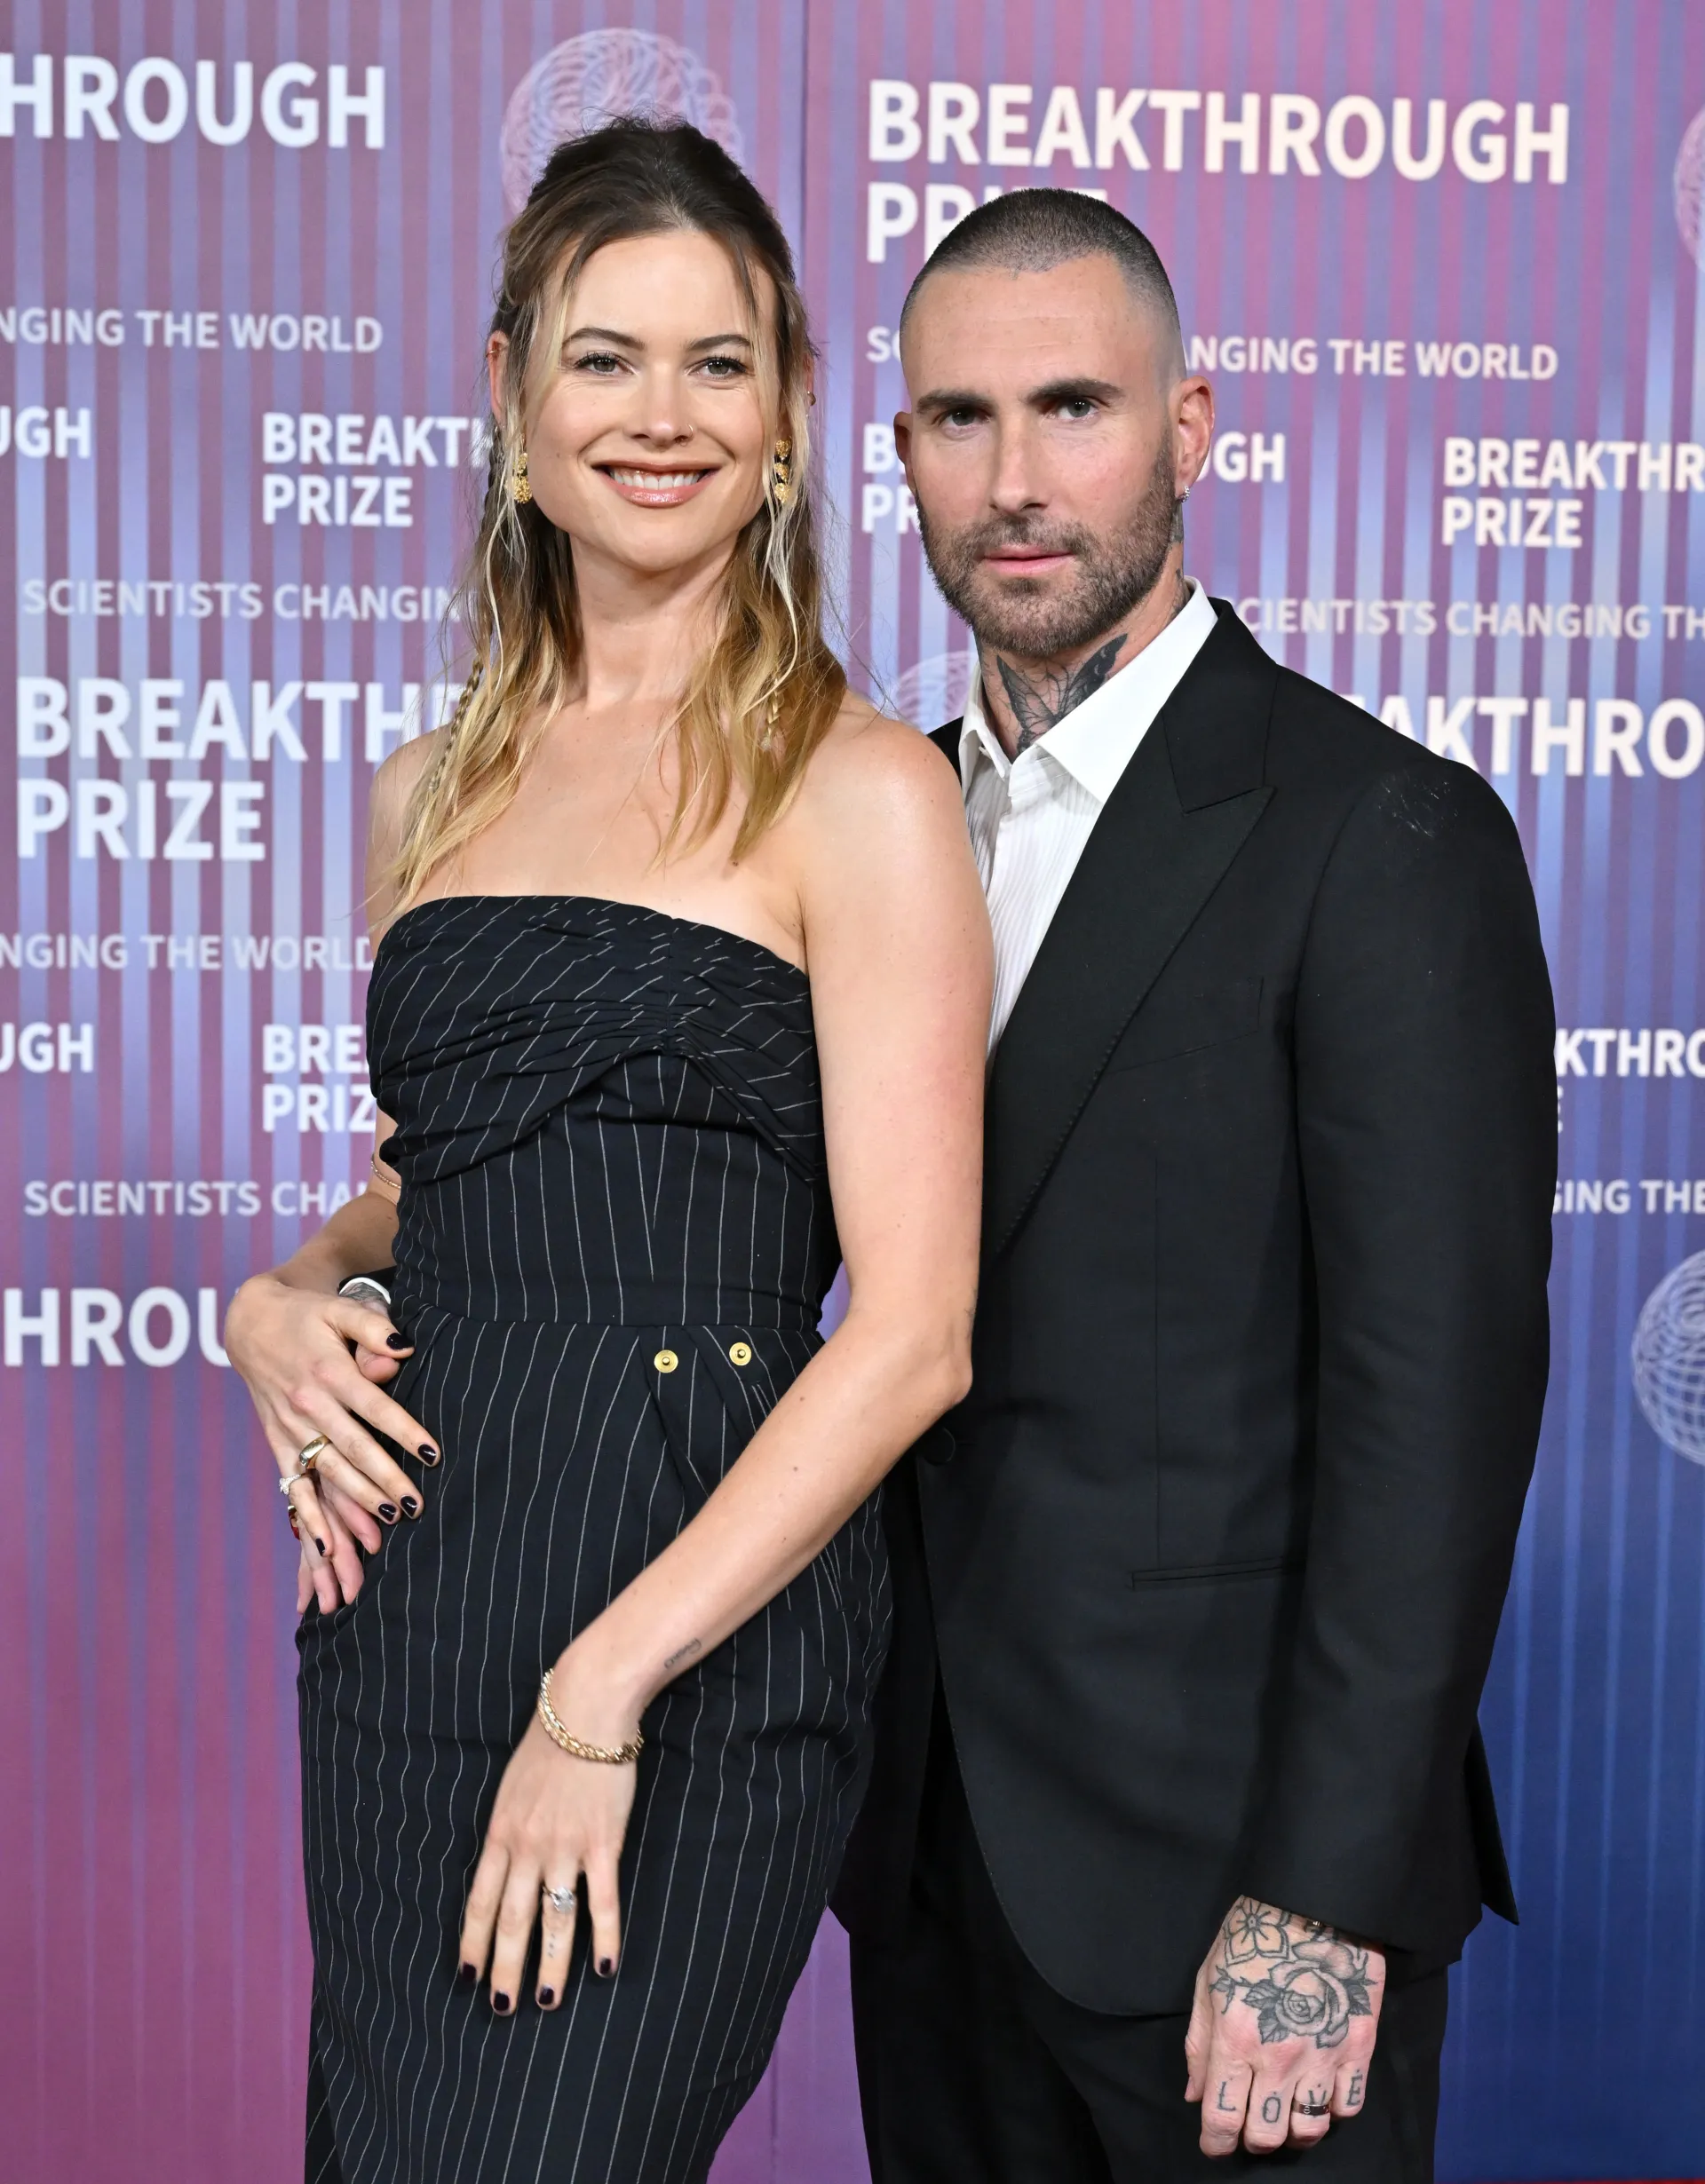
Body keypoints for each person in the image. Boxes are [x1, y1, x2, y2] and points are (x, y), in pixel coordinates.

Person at [224, 119, 989, 2184]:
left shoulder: (861, 790)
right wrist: (287, 1293)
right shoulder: (424, 792)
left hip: (688, 1627)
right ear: (510, 394)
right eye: (605, 357)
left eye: (718, 362)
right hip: (413, 1600)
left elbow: (915, 1334)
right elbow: (443, 1181)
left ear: (791, 409)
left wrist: (601, 1694)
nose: (664, 416)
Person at [835, 189, 1556, 2180]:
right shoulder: (873, 823)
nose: (1016, 479)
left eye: (1074, 406)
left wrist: (1320, 1897)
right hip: (930, 1873)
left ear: (1191, 425)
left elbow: (1437, 1419)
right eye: (961, 417)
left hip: (1240, 1903)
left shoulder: (1381, 829)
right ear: (901, 451)